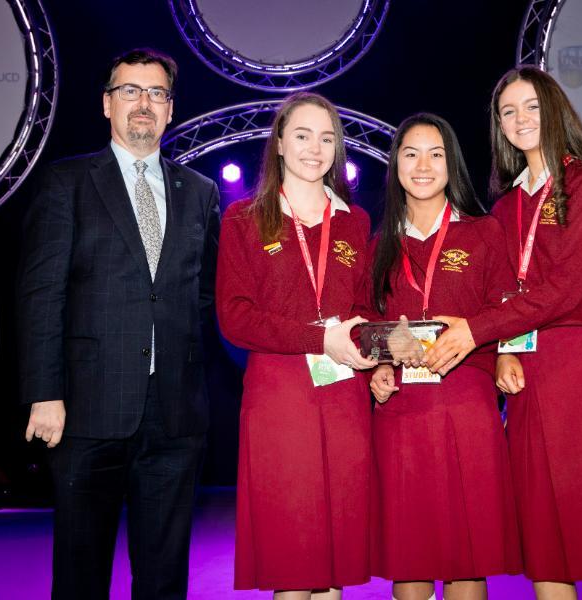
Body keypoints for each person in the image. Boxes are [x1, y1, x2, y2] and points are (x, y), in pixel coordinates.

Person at [423, 66, 582, 599]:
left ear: (555, 110)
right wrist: (503, 352)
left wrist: (476, 331)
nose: (520, 119)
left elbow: (563, 289)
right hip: (533, 373)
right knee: (545, 532)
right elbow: (506, 292)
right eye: (508, 111)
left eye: (532, 106)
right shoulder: (506, 206)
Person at [18, 48, 220, 599]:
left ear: (171, 110)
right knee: (81, 574)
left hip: (176, 418)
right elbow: (41, 296)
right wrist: (44, 393)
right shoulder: (68, 183)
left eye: (156, 94)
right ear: (107, 104)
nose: (143, 104)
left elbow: (205, 294)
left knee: (163, 578)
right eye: (130, 91)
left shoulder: (200, 192)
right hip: (86, 411)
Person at [216, 92, 377, 598]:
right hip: (279, 400)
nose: (315, 148)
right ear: (280, 143)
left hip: (345, 397)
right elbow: (235, 317)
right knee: (294, 558)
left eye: (327, 138)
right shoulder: (244, 218)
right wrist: (320, 337)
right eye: (303, 135)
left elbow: (366, 308)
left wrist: (381, 350)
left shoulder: (355, 221)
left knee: (335, 559)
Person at [363, 113, 521, 600]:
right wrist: (382, 366)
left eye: (436, 153)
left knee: (464, 554)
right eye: (411, 154)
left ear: (452, 164)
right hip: (401, 413)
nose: (424, 165)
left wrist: (502, 356)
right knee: (409, 556)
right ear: (395, 167)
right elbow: (365, 322)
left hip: (466, 408)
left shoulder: (484, 233)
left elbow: (508, 307)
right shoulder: (378, 246)